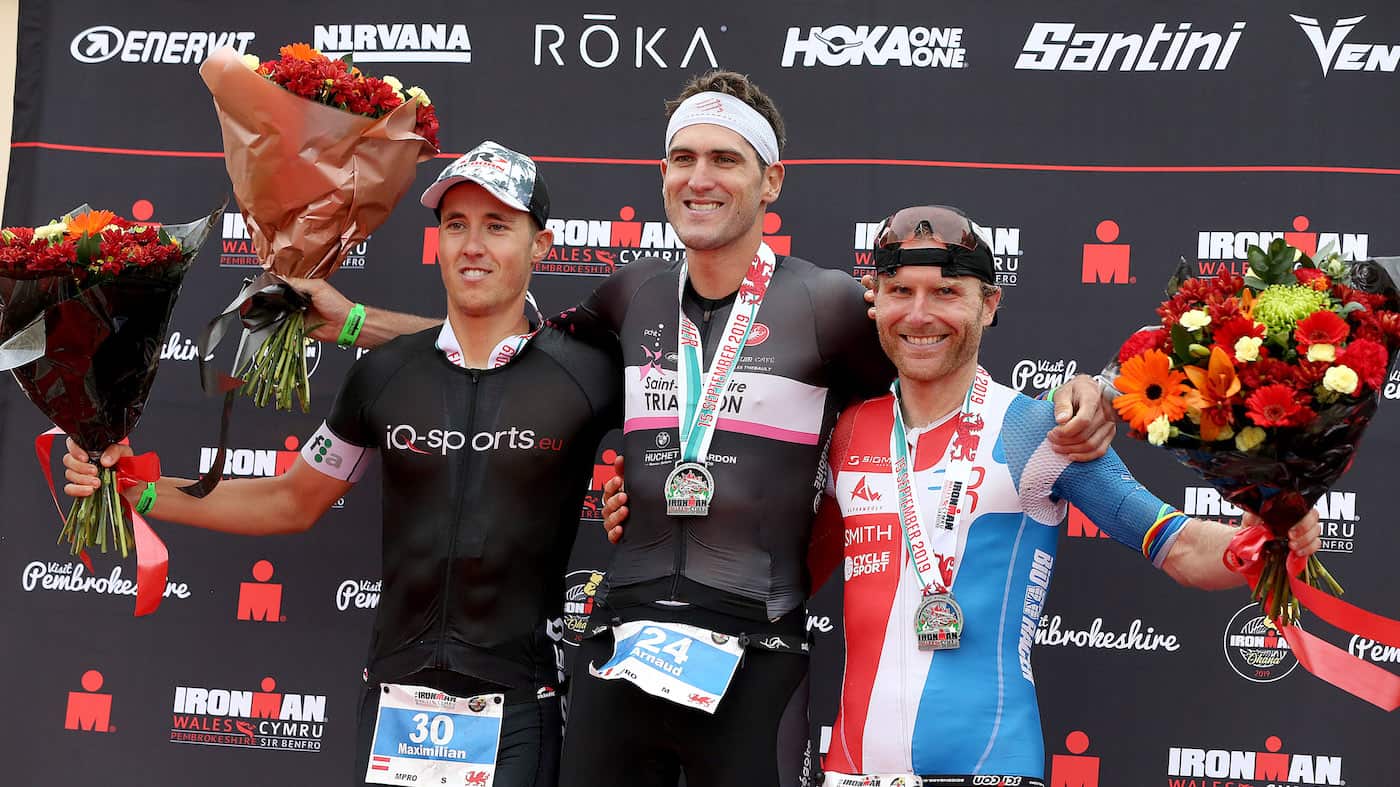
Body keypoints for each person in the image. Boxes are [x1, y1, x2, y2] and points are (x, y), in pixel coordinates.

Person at [291, 72, 1114, 786]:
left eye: (726, 159)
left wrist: (1071, 396)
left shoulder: (826, 303)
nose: (701, 177)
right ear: (662, 176)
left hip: (757, 652)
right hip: (623, 645)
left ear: (771, 180)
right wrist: (356, 320)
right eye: (684, 158)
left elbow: (936, 365)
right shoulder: (629, 294)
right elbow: (504, 351)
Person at [63, 141, 622, 787]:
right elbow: (290, 499)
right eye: (456, 225)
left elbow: (685, 435)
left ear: (541, 245)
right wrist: (137, 488)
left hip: (519, 702)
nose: (473, 245)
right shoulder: (386, 373)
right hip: (394, 699)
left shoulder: (584, 372)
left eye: (497, 226)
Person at [776, 205, 1319, 785]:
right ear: (875, 300)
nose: (919, 314)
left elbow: (1180, 547)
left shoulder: (1037, 430)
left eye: (946, 292)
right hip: (850, 772)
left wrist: (1267, 537)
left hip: (989, 772)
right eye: (900, 291)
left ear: (989, 304)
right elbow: (781, 572)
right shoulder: (845, 429)